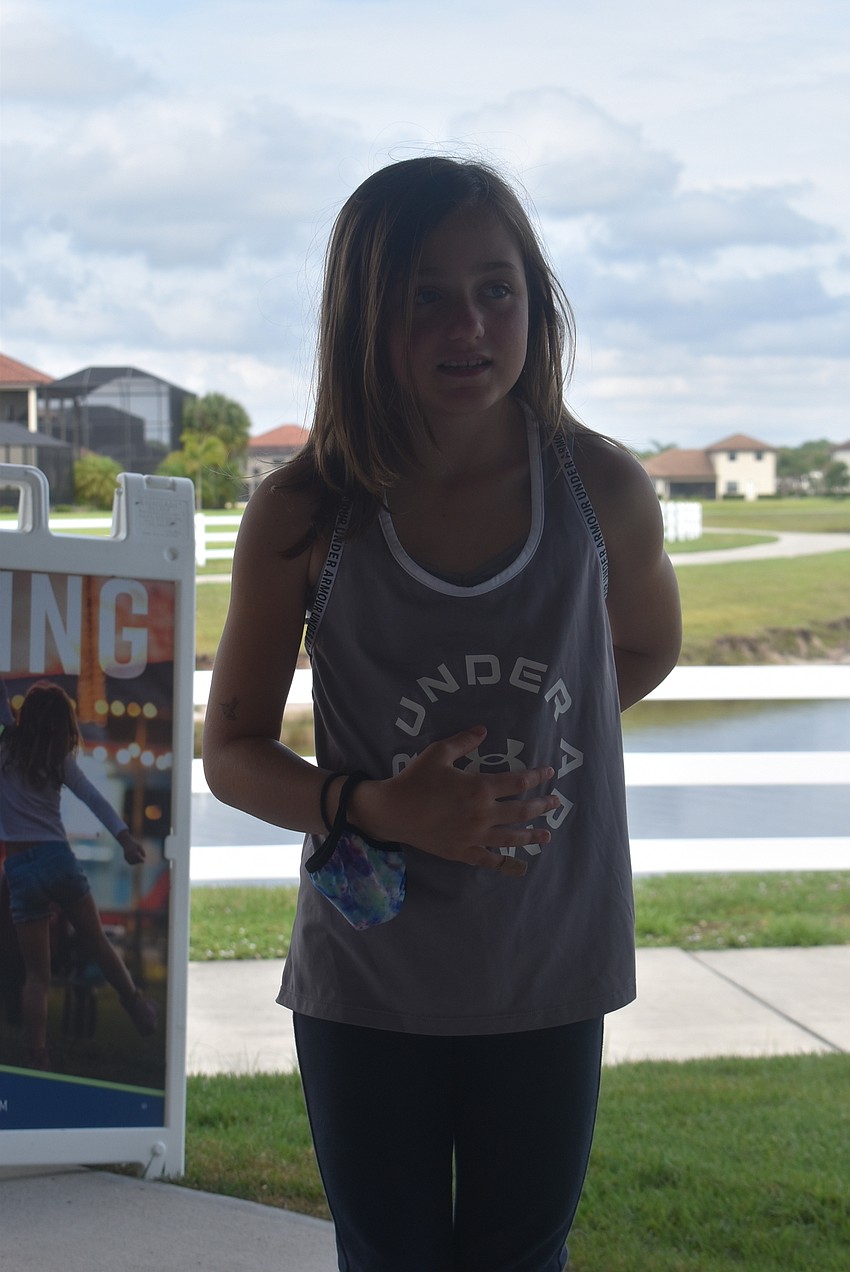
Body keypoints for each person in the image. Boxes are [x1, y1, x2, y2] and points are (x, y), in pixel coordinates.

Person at [203, 156, 682, 1271]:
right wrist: (385, 808)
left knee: (522, 1256)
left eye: (496, 288)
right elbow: (229, 750)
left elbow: (648, 645)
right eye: (423, 294)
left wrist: (539, 746)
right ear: (362, 312)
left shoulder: (598, 489)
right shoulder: (304, 509)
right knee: (390, 1257)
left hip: (548, 962)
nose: (466, 324)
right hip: (368, 980)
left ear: (536, 302)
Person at [0, 678, 157, 1070]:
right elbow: (93, 799)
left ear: (25, 717)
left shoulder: (5, 748)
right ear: (62, 723)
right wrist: (125, 839)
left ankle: (37, 1054)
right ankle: (136, 1004)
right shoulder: (58, 759)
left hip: (20, 869)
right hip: (58, 860)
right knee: (97, 941)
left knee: (37, 975)